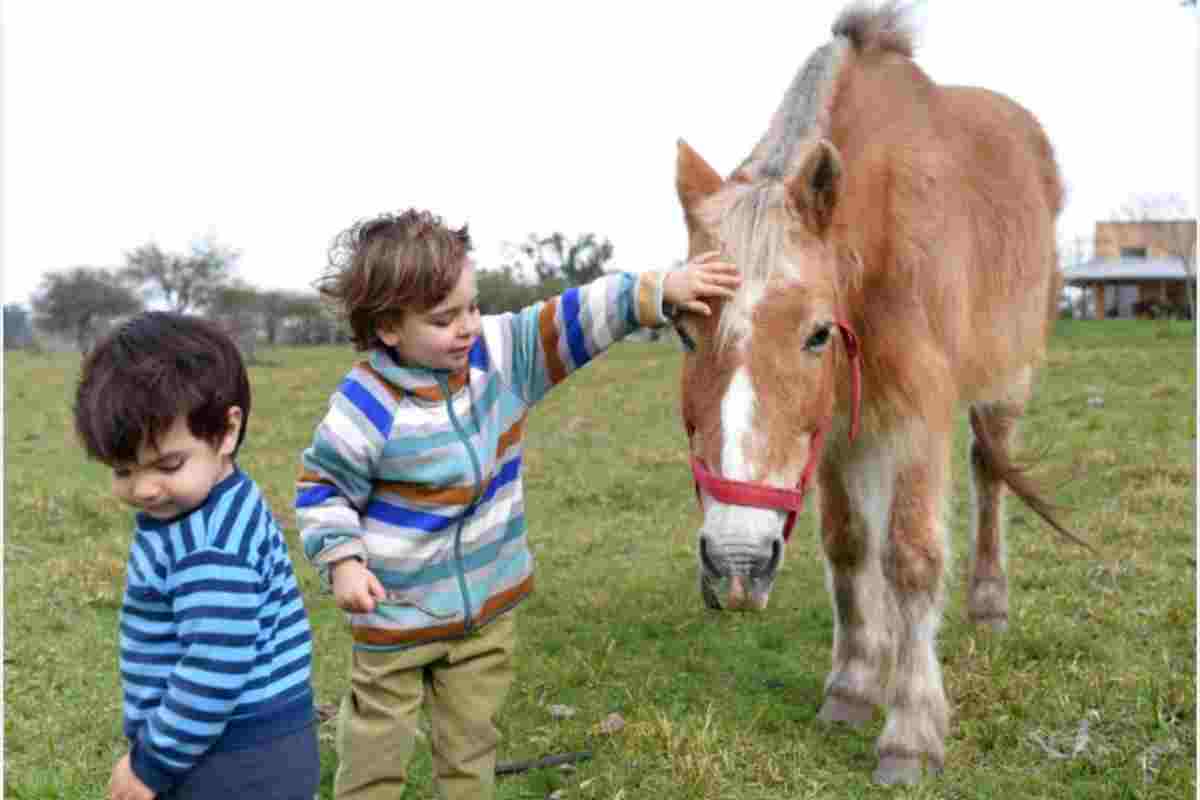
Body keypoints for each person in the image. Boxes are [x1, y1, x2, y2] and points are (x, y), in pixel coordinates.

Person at [296, 208, 740, 799]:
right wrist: (343, 560)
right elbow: (322, 488)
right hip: (395, 619)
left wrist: (659, 290)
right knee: (376, 748)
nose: (467, 327)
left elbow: (576, 317)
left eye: (471, 307)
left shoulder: (500, 357)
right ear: (388, 328)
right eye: (443, 318)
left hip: (486, 614)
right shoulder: (366, 406)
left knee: (471, 744)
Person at [74, 312, 319, 800]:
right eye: (123, 471)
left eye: (168, 464)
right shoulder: (219, 496)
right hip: (253, 742)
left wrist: (151, 765)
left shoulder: (208, 544)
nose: (144, 489)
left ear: (227, 431)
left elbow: (214, 665)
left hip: (233, 757)